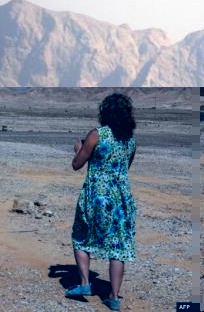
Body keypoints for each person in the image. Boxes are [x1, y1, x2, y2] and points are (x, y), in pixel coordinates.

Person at [67, 93, 137, 311]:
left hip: (96, 197)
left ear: (104, 111)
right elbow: (125, 168)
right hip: (122, 199)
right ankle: (114, 297)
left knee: (80, 236)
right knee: (118, 247)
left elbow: (77, 164)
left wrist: (79, 149)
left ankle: (85, 284)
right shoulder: (130, 139)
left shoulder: (97, 135)